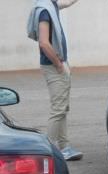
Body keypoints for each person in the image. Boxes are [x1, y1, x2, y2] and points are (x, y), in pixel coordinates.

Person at [27, 0, 83, 161]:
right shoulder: (45, 10)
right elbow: (44, 43)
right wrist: (59, 64)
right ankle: (50, 151)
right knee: (58, 110)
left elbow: (65, 3)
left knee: (62, 108)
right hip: (53, 66)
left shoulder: (50, 5)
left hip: (57, 65)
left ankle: (64, 147)